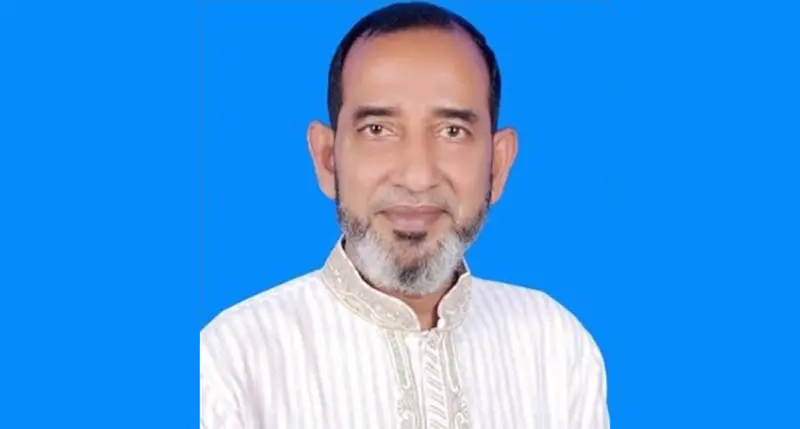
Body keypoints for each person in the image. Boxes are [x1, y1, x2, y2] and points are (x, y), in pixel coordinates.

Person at [200, 2, 610, 428]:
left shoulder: (554, 348)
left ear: (498, 165)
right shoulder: (231, 364)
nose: (417, 178)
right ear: (327, 159)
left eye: (452, 131)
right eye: (377, 130)